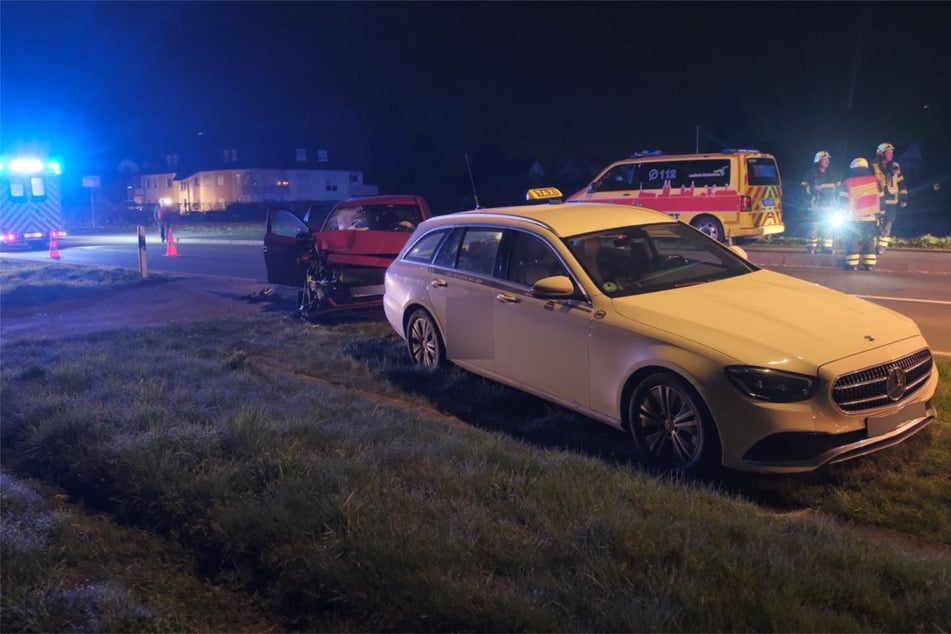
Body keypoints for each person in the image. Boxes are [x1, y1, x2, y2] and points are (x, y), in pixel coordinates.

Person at [838, 158, 882, 271]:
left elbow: (842, 200)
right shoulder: (875, 180)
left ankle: (852, 264)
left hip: (852, 217)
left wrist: (841, 212)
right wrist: (880, 214)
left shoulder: (848, 182)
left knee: (851, 238)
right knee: (869, 239)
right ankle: (869, 264)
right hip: (870, 216)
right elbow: (882, 198)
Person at [801, 150, 839, 254]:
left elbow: (839, 189)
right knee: (814, 226)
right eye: (825, 159)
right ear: (818, 161)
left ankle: (827, 247)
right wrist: (813, 189)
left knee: (828, 226)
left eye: (828, 159)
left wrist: (837, 202)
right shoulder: (810, 174)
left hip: (829, 206)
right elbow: (803, 188)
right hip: (815, 206)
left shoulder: (832, 174)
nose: (827, 161)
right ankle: (811, 246)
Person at [872, 142, 907, 253]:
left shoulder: (895, 166)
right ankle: (872, 244)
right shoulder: (873, 167)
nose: (891, 154)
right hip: (877, 200)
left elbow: (901, 182)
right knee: (875, 222)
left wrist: (903, 198)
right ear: (881, 154)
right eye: (888, 152)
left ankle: (881, 247)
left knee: (888, 223)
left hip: (891, 200)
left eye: (892, 152)